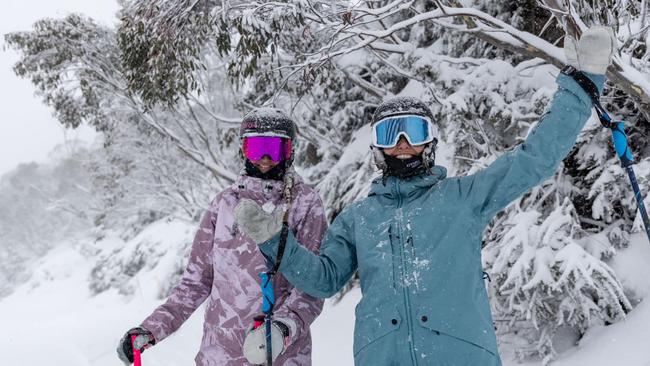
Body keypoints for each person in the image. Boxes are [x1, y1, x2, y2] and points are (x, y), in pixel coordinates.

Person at [234, 26, 617, 365]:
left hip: (462, 354)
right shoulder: (358, 218)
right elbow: (324, 279)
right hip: (383, 355)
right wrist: (275, 240)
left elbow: (534, 159)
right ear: (377, 148)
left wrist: (580, 88)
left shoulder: (464, 197)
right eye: (390, 135)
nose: (402, 145)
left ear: (429, 141)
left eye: (412, 132)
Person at [117, 108, 327, 365]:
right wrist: (151, 329)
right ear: (243, 150)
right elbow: (195, 283)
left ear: (289, 151)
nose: (264, 159)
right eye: (256, 147)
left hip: (281, 356)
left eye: (274, 149)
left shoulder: (305, 205)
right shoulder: (224, 205)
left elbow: (312, 287)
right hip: (220, 355)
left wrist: (283, 329)